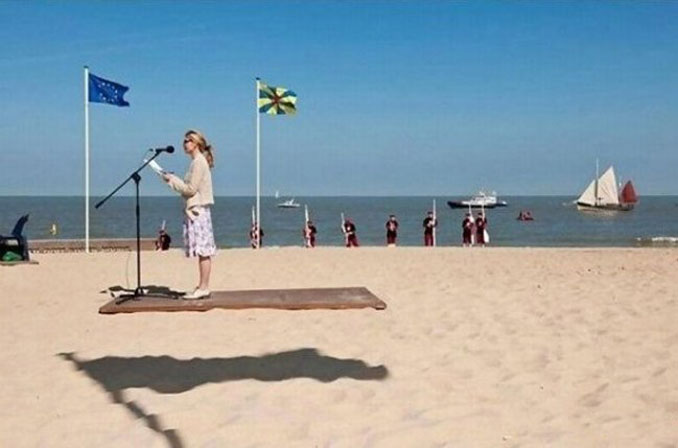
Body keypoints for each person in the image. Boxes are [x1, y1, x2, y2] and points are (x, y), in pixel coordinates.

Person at [162, 129, 216, 300]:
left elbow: (191, 189)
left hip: (198, 210)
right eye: (184, 140)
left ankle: (204, 287)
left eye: (188, 140)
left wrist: (172, 180)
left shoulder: (199, 162)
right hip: (196, 209)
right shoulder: (196, 162)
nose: (185, 143)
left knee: (203, 250)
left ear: (197, 143)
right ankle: (202, 286)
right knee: (202, 250)